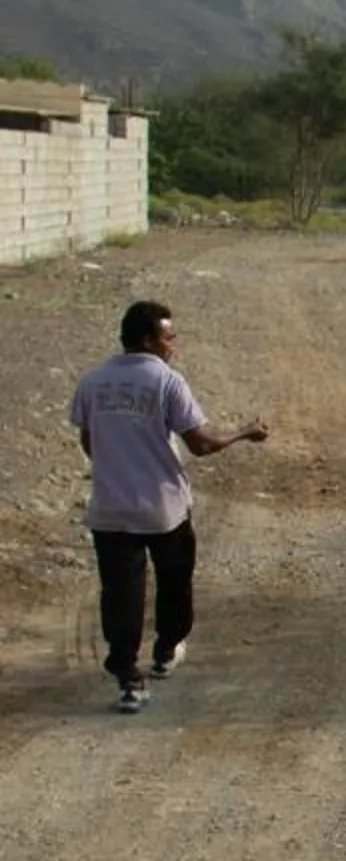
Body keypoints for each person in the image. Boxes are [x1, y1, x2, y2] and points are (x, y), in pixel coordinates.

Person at [69, 299, 270, 713]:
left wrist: (119, 466)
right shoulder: (166, 382)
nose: (173, 346)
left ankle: (128, 678)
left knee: (120, 596)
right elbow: (201, 444)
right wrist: (244, 433)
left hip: (111, 509)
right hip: (164, 509)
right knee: (175, 582)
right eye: (168, 337)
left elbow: (90, 443)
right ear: (148, 340)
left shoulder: (92, 382)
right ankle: (164, 650)